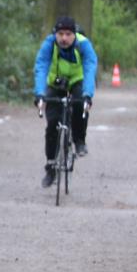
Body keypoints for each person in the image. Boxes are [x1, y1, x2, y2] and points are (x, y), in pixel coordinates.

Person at [33, 15, 98, 188]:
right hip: (56, 82)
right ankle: (51, 167)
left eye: (68, 34)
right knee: (52, 123)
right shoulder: (49, 44)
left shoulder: (83, 45)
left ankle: (79, 140)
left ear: (74, 34)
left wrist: (87, 94)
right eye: (60, 33)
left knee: (79, 106)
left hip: (78, 81)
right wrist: (40, 93)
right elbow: (41, 66)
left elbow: (90, 68)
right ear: (55, 34)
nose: (64, 38)